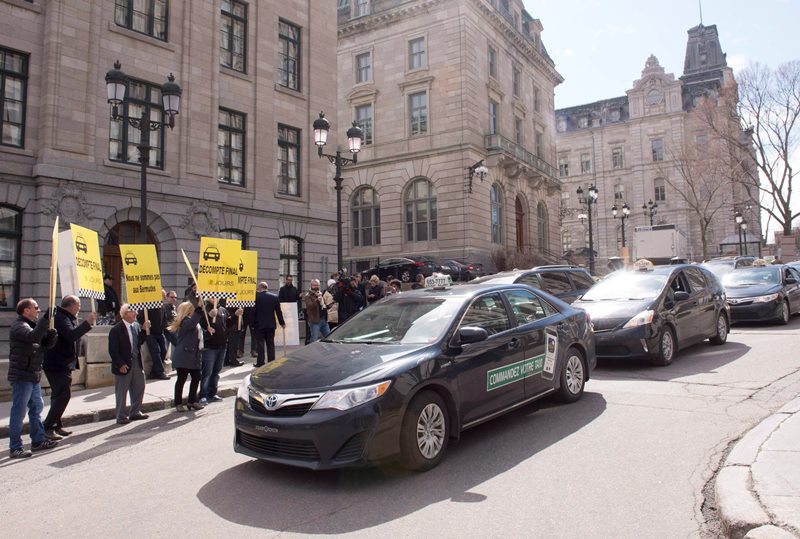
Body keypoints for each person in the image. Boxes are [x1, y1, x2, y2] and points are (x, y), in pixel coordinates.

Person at [8, 298, 59, 458]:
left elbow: (42, 345)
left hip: (33, 374)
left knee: (37, 407)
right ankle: (15, 447)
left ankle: (38, 440)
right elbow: (33, 337)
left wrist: (51, 337)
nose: (38, 310)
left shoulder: (31, 326)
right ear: (26, 310)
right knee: (19, 411)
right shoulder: (19, 326)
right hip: (22, 375)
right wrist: (46, 319)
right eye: (35, 308)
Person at [42, 295, 96, 439]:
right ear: (71, 305)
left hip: (60, 363)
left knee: (57, 396)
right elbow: (71, 335)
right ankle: (47, 426)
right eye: (78, 305)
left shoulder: (64, 317)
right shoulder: (61, 318)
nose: (79, 308)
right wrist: (87, 323)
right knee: (63, 396)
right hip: (57, 364)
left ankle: (56, 426)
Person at [108, 304, 151, 425]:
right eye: (133, 311)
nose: (136, 313)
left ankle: (135, 412)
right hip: (124, 364)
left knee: (139, 387)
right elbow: (113, 350)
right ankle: (121, 415)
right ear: (125, 313)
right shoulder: (116, 329)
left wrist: (144, 330)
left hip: (137, 362)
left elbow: (139, 342)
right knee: (122, 391)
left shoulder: (136, 326)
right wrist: (120, 364)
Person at [165, 301, 205, 412]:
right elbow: (192, 324)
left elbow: (196, 331)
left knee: (196, 378)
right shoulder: (185, 322)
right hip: (184, 355)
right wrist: (199, 309)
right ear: (189, 311)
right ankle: (178, 403)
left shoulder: (192, 321)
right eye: (192, 309)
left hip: (193, 355)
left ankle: (192, 401)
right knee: (181, 380)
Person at [199, 299, 241, 404]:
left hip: (222, 345)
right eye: (212, 296)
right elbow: (200, 325)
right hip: (209, 346)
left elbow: (228, 324)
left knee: (216, 372)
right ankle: (203, 395)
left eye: (215, 296)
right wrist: (208, 316)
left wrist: (236, 315)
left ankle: (212, 393)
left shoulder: (223, 310)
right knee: (207, 372)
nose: (214, 298)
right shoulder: (203, 309)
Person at [137, 290, 169, 380]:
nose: (164, 298)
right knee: (156, 351)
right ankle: (160, 372)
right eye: (162, 296)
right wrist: (145, 324)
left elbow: (164, 318)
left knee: (164, 350)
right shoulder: (148, 305)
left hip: (160, 332)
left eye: (164, 296)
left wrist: (164, 326)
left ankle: (154, 372)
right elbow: (139, 317)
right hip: (150, 332)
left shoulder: (162, 307)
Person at [253, 282, 285, 366]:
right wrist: (282, 323)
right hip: (271, 325)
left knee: (260, 345)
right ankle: (271, 362)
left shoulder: (256, 297)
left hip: (259, 325)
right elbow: (278, 312)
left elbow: (253, 312)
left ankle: (260, 362)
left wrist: (252, 323)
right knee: (270, 344)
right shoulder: (274, 297)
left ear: (259, 288)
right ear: (267, 287)